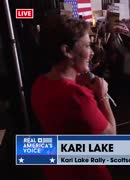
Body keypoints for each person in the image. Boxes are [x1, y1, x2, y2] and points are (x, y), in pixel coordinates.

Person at [31, 16, 115, 180]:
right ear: (67, 51)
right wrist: (102, 95)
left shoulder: (39, 84)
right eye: (87, 46)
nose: (91, 53)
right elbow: (110, 138)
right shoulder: (78, 96)